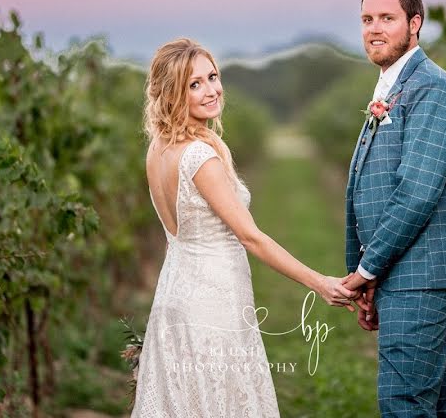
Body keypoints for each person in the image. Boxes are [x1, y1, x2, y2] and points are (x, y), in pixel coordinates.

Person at [132, 38, 356, 417]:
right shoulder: (200, 156)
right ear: (172, 94)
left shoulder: (159, 148)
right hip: (212, 303)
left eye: (212, 77)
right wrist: (320, 282)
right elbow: (251, 237)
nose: (211, 90)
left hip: (174, 295)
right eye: (194, 84)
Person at [341, 0, 446, 416]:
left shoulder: (433, 89)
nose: (374, 28)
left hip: (424, 273)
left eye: (387, 18)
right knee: (434, 403)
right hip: (403, 272)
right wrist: (369, 276)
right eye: (367, 19)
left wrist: (367, 270)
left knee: (404, 404)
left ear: (415, 23)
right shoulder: (393, 85)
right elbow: (370, 185)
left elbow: (416, 194)